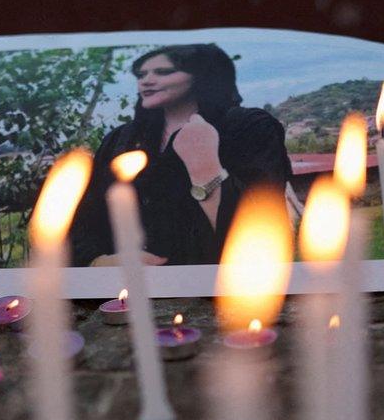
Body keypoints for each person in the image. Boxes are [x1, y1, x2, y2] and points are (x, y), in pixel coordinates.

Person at [70, 43, 292, 267]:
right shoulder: (121, 139)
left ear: (200, 75)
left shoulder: (249, 127)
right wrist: (100, 262)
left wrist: (205, 167)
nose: (146, 80)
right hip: (128, 294)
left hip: (222, 292)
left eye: (163, 72)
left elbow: (262, 228)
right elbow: (84, 221)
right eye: (142, 74)